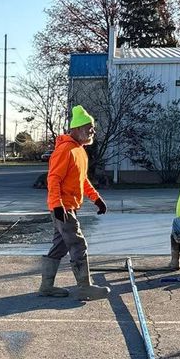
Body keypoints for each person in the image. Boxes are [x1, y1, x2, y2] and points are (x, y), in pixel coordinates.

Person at [39, 105, 110, 301]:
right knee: (78, 244)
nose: (92, 131)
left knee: (60, 246)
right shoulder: (66, 150)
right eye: (89, 128)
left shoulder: (79, 151)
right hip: (63, 207)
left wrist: (96, 198)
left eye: (92, 128)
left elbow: (82, 179)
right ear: (77, 128)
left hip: (67, 207)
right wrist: (57, 205)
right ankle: (85, 287)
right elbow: (53, 179)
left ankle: (46, 287)